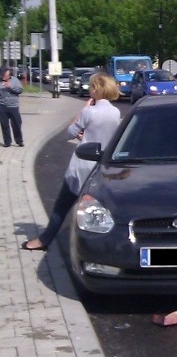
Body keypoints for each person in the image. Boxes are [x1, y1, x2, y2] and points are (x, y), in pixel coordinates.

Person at [22, 72, 121, 251]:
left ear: (97, 89)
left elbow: (70, 132)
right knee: (99, 208)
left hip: (82, 165)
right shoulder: (116, 112)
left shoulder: (89, 111)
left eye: (91, 86)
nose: (90, 89)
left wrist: (81, 113)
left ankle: (44, 240)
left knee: (62, 205)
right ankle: (100, 245)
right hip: (102, 167)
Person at [0, 66, 24, 147]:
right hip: (2, 106)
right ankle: (7, 142)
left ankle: (19, 141)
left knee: (17, 124)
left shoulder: (14, 80)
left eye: (7, 75)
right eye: (3, 76)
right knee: (4, 124)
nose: (5, 77)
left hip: (13, 106)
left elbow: (20, 90)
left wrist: (11, 87)